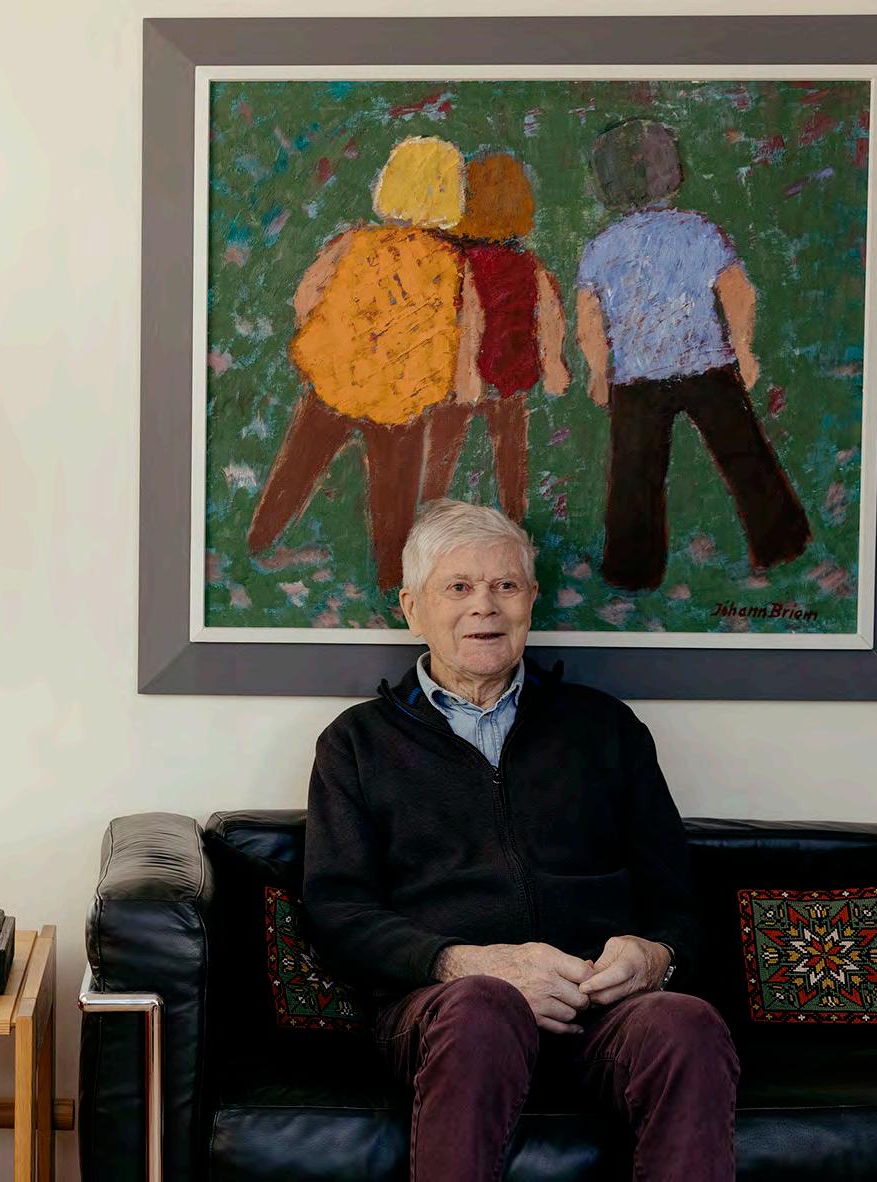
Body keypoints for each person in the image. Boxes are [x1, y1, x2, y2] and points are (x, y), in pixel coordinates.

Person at [302, 499, 739, 1181]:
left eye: (505, 585)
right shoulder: (356, 744)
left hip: (600, 1011)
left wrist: (657, 955)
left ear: (532, 600)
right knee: (484, 1006)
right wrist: (463, 964)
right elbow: (337, 911)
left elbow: (677, 900)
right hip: (446, 1011)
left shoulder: (606, 729)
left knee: (686, 1025)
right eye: (459, 587)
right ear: (412, 609)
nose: (485, 605)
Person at [574, 118, 812, 591]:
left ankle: (631, 571)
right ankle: (783, 543)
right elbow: (737, 291)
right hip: (706, 365)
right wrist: (744, 350)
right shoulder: (699, 230)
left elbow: (589, 320)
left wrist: (599, 373)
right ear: (671, 168)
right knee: (744, 455)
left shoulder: (600, 248)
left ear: (606, 180)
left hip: (638, 378)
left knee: (634, 475)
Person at [248, 135, 478, 591]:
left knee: (298, 465)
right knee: (395, 490)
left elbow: (305, 295)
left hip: (337, 380)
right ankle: (393, 580)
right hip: (402, 396)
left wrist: (323, 338)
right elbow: (466, 330)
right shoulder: (452, 262)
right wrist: (462, 385)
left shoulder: (353, 241)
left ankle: (261, 540)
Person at [422, 151, 569, 520]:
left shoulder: (458, 262)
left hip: (462, 376)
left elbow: (465, 319)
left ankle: (426, 518)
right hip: (512, 372)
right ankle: (515, 520)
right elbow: (550, 315)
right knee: (511, 457)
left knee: (441, 454)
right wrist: (553, 364)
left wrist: (464, 373)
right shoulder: (529, 264)